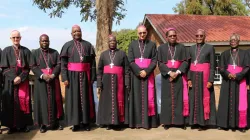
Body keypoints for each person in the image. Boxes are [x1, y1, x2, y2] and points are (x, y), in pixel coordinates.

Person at [60, 25, 96, 132]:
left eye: (78, 31)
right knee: (73, 100)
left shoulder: (88, 45)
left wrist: (93, 76)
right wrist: (65, 78)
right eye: (74, 31)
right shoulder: (67, 45)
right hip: (72, 77)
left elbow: (93, 63)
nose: (77, 33)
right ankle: (75, 123)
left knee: (86, 99)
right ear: (71, 34)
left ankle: (86, 122)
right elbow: (63, 64)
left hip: (86, 76)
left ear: (81, 32)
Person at [0, 30, 33, 134]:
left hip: (22, 82)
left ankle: (24, 125)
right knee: (10, 103)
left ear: (20, 38)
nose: (15, 39)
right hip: (10, 82)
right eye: (13, 37)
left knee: (24, 102)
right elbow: (4, 68)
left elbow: (28, 68)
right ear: (10, 38)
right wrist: (14, 78)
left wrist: (21, 77)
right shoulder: (6, 50)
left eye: (17, 37)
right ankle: (11, 126)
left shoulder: (26, 51)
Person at [30, 34, 64, 133]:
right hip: (41, 81)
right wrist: (42, 75)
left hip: (53, 80)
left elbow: (59, 64)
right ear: (39, 42)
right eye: (43, 41)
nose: (45, 43)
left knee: (55, 100)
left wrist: (53, 75)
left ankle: (56, 123)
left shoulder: (54, 52)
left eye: (46, 41)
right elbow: (33, 66)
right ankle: (42, 124)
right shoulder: (35, 53)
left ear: (49, 41)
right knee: (42, 102)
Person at [127, 25, 158, 129]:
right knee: (136, 98)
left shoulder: (152, 45)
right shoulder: (132, 44)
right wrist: (139, 71)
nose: (142, 35)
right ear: (137, 33)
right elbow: (130, 60)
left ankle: (149, 123)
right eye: (140, 33)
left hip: (148, 75)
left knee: (149, 97)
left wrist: (147, 71)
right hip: (136, 76)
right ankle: (137, 123)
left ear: (146, 33)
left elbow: (154, 60)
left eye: (144, 33)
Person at [97, 35, 130, 130]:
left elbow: (127, 70)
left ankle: (118, 122)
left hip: (119, 82)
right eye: (110, 41)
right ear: (108, 43)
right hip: (106, 83)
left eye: (114, 41)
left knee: (118, 101)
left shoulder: (122, 54)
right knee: (107, 103)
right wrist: (99, 83)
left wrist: (127, 83)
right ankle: (108, 122)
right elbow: (99, 70)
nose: (112, 42)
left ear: (116, 42)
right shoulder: (103, 54)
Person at [158, 28, 188, 130]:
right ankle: (167, 122)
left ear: (176, 36)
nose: (172, 37)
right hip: (166, 76)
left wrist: (178, 72)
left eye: (174, 35)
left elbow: (185, 62)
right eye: (170, 36)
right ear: (166, 37)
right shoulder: (161, 48)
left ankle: (180, 122)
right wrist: (170, 72)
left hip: (179, 77)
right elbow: (160, 63)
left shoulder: (182, 47)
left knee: (179, 99)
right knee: (167, 99)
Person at [217, 34, 249, 132]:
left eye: (235, 40)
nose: (233, 41)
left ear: (238, 42)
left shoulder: (245, 53)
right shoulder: (224, 54)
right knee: (225, 102)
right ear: (229, 42)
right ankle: (224, 124)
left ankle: (241, 125)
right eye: (231, 40)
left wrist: (238, 75)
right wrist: (228, 74)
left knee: (240, 103)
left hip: (240, 81)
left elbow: (247, 67)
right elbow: (221, 67)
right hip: (227, 81)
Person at [187, 29, 216, 131]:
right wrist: (189, 78)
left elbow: (213, 65)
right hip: (194, 77)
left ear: (205, 36)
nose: (199, 37)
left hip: (205, 77)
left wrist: (211, 80)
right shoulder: (191, 48)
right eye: (197, 35)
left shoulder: (210, 47)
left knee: (203, 99)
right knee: (194, 98)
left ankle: (204, 123)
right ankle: (194, 121)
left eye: (201, 35)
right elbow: (188, 64)